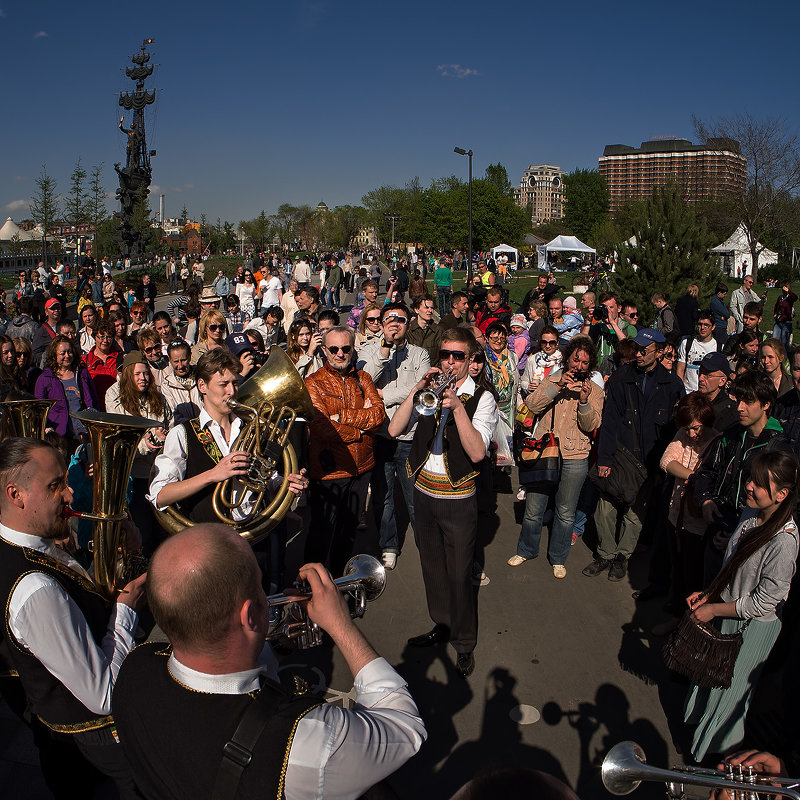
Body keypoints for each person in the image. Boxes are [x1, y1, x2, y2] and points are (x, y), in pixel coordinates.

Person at [111, 524, 426, 800]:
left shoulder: (134, 666)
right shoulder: (305, 741)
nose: (268, 595)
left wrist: (275, 644)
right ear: (249, 615)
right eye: (261, 587)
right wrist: (340, 625)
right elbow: (406, 728)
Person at [0, 437, 146, 798]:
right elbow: (104, 695)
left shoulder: (28, 546)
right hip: (96, 749)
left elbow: (75, 602)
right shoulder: (35, 589)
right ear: (16, 495)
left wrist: (116, 556)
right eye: (54, 486)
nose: (68, 495)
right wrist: (127, 609)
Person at [388, 328, 498, 678]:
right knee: (432, 570)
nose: (450, 362)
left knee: (459, 574)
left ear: (471, 361)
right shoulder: (429, 390)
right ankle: (442, 624)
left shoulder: (482, 398)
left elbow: (478, 452)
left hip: (457, 501)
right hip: (424, 494)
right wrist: (417, 390)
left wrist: (457, 408)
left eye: (458, 356)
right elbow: (394, 430)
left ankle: (464, 644)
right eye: (446, 355)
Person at [684, 450, 799, 760]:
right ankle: (698, 737)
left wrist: (713, 610)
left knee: (729, 693)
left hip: (752, 628)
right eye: (750, 479)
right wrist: (710, 593)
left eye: (759, 484)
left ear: (782, 494)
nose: (749, 486)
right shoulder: (751, 514)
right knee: (711, 677)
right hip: (728, 612)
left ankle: (715, 757)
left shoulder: (785, 541)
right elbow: (733, 565)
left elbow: (763, 602)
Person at [149, 348, 307, 527]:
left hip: (256, 534)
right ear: (202, 386)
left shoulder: (254, 427)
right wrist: (213, 474)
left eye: (235, 383)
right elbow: (160, 495)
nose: (232, 391)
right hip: (207, 538)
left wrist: (285, 485)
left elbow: (266, 478)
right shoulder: (181, 433)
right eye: (223, 384)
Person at [583, 329, 684, 581]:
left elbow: (674, 431)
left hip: (649, 462)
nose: (638, 354)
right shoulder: (621, 378)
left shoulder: (673, 386)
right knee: (604, 510)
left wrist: (662, 469)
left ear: (659, 353)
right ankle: (605, 553)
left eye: (644, 350)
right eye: (636, 349)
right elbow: (610, 421)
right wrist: (604, 459)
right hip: (619, 456)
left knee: (634, 515)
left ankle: (621, 557)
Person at [509, 337, 603, 578]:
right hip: (544, 449)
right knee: (534, 506)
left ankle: (558, 558)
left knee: (565, 511)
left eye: (585, 362)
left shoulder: (596, 391)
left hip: (576, 454)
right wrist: (557, 386)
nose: (579, 366)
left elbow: (592, 423)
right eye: (575, 359)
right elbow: (532, 404)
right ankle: (526, 549)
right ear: (568, 357)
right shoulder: (552, 379)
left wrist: (583, 401)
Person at [693, 370, 791, 584]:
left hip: (750, 546)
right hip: (718, 530)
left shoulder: (778, 448)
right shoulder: (731, 435)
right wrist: (706, 500)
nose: (739, 408)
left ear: (766, 404)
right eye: (739, 400)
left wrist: (741, 538)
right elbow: (707, 472)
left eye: (748, 401)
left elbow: (782, 507)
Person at [304, 326, 385, 575]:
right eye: (334, 349)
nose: (340, 354)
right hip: (330, 472)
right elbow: (321, 428)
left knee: (348, 533)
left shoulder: (364, 378)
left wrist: (344, 417)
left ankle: (341, 583)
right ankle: (311, 588)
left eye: (346, 348)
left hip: (363, 468)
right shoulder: (313, 383)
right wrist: (360, 430)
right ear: (324, 351)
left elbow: (379, 415)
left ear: (353, 349)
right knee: (321, 534)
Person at [358, 304, 430, 570]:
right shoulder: (369, 350)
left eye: (401, 319)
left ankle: (426, 542)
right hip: (379, 434)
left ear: (408, 325)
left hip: (410, 435)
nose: (395, 323)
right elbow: (364, 380)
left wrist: (381, 395)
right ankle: (389, 544)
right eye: (389, 319)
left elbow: (420, 388)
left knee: (415, 495)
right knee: (383, 494)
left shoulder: (420, 354)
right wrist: (385, 348)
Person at [653, 393, 719, 636]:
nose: (691, 434)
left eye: (695, 428)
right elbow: (666, 460)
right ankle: (677, 621)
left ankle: (687, 629)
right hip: (676, 517)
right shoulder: (682, 435)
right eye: (687, 429)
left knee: (694, 580)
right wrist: (693, 476)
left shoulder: (718, 443)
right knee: (679, 574)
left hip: (699, 525)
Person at [105, 351, 170, 555]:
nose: (143, 378)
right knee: (143, 533)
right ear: (127, 376)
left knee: (164, 532)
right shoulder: (115, 398)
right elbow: (122, 437)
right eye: (138, 374)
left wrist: (165, 437)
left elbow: (169, 425)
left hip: (159, 475)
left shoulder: (158, 398)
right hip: (135, 477)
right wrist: (147, 443)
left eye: (146, 374)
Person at [35, 335, 98, 445]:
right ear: (54, 355)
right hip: (59, 434)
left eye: (70, 352)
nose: (67, 356)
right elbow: (38, 409)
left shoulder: (82, 373)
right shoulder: (45, 378)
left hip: (84, 432)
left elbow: (94, 399)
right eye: (62, 353)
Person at [676, 311, 721, 393]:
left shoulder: (718, 347)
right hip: (688, 392)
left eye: (706, 325)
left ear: (713, 327)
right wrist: (681, 391)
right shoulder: (686, 343)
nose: (702, 328)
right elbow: (680, 370)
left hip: (707, 394)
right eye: (700, 324)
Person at [82, 318, 122, 411]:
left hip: (117, 407)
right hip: (96, 408)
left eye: (109, 337)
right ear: (95, 337)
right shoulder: (85, 361)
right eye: (101, 337)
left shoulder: (120, 357)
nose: (105, 340)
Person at [160, 339, 202, 426]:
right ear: (169, 360)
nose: (180, 366)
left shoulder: (201, 375)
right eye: (176, 361)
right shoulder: (167, 385)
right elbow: (172, 415)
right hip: (185, 429)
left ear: (190, 356)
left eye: (183, 360)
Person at [407, 295, 441, 365]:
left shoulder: (438, 330)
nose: (430, 310)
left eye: (432, 308)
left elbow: (442, 355)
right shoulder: (408, 329)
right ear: (416, 309)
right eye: (426, 307)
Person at [32, 297, 62, 363]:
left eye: (58, 308)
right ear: (46, 312)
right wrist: (50, 355)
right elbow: (34, 354)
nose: (56, 310)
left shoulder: (65, 326)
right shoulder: (41, 331)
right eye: (53, 308)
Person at [773, 282, 797, 351]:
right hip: (778, 321)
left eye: (785, 290)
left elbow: (795, 298)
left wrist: (788, 291)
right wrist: (775, 313)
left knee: (784, 342)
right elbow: (776, 306)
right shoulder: (780, 297)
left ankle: (785, 358)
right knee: (775, 340)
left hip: (786, 322)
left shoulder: (790, 298)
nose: (783, 291)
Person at [710, 282, 731, 346]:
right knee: (721, 345)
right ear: (719, 292)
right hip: (719, 327)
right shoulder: (716, 302)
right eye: (724, 294)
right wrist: (724, 316)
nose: (724, 296)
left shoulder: (719, 301)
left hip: (721, 326)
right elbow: (727, 314)